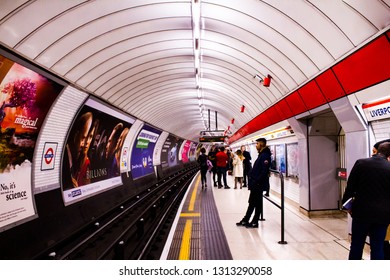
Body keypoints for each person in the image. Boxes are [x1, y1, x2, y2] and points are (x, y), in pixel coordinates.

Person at [342, 142, 390, 260]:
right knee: (377, 247)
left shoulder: (361, 163)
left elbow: (350, 187)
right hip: (382, 216)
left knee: (357, 245)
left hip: (361, 213)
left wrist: (347, 207)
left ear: (378, 150)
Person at [236, 138, 271, 228]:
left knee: (257, 203)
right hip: (256, 183)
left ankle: (255, 221)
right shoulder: (262, 154)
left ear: (262, 144)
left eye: (257, 143)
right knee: (252, 202)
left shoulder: (265, 155)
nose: (256, 145)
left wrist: (256, 180)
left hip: (258, 184)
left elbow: (264, 171)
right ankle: (246, 219)